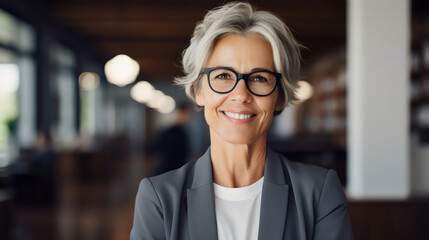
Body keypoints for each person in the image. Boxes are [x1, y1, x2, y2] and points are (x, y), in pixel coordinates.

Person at [130, 2, 354, 240]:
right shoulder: (158, 198)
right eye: (223, 76)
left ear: (279, 96)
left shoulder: (318, 193)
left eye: (259, 78)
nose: (241, 95)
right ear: (199, 91)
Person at [154, 103, 191, 175]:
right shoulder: (173, 133)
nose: (188, 117)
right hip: (170, 170)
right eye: (186, 114)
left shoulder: (181, 131)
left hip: (173, 170)